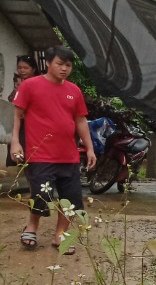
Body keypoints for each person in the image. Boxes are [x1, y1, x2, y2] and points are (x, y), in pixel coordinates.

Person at [10, 46, 95, 251]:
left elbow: (81, 120)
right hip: (40, 154)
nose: (64, 68)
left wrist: (90, 149)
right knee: (40, 194)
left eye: (68, 65)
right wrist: (15, 141)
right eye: (59, 64)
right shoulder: (30, 85)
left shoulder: (74, 90)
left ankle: (60, 234)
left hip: (69, 155)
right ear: (48, 63)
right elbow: (17, 115)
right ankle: (32, 226)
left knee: (71, 198)